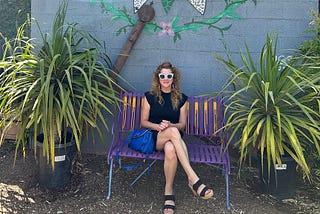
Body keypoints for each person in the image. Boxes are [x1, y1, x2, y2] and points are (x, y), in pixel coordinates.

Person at [140, 62, 214, 214]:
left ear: (173, 78)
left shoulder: (181, 99)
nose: (165, 79)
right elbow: (143, 122)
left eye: (169, 76)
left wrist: (172, 125)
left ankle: (169, 192)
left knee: (170, 148)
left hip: (173, 140)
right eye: (162, 76)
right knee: (172, 133)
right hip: (156, 136)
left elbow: (182, 125)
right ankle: (193, 178)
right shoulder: (149, 97)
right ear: (158, 78)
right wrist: (158, 126)